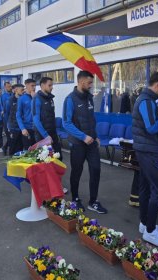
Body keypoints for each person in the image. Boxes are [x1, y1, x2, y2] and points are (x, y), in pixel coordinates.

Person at [132, 71, 158, 248]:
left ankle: (144, 223)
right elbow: (151, 128)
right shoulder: (146, 102)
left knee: (146, 187)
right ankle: (150, 231)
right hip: (147, 151)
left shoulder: (146, 100)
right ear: (156, 85)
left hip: (145, 150)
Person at [63, 71, 108, 214]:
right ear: (81, 82)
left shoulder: (89, 98)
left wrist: (96, 136)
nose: (91, 85)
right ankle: (75, 198)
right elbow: (66, 123)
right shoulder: (70, 99)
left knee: (96, 169)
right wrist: (83, 137)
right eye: (89, 83)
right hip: (78, 143)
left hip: (92, 142)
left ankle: (93, 202)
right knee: (77, 171)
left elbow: (91, 119)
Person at [17, 79, 36, 150]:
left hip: (37, 128)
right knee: (28, 150)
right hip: (27, 128)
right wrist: (22, 128)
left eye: (35, 86)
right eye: (32, 86)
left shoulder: (37, 97)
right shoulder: (22, 98)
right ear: (27, 86)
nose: (34, 87)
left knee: (37, 151)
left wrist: (35, 98)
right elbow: (18, 115)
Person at [6, 84, 24, 156]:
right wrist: (8, 125)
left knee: (20, 147)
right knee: (13, 146)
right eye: (21, 90)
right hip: (13, 127)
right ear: (16, 90)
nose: (23, 91)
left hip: (22, 127)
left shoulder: (23, 99)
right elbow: (7, 113)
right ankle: (11, 164)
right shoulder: (10, 100)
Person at [1, 82, 13, 155]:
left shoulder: (13, 94)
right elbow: (2, 107)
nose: (10, 88)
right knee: (9, 135)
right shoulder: (3, 96)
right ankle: (6, 149)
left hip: (13, 117)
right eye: (8, 87)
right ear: (5, 87)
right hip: (6, 118)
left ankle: (5, 147)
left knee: (13, 135)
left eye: (10, 86)